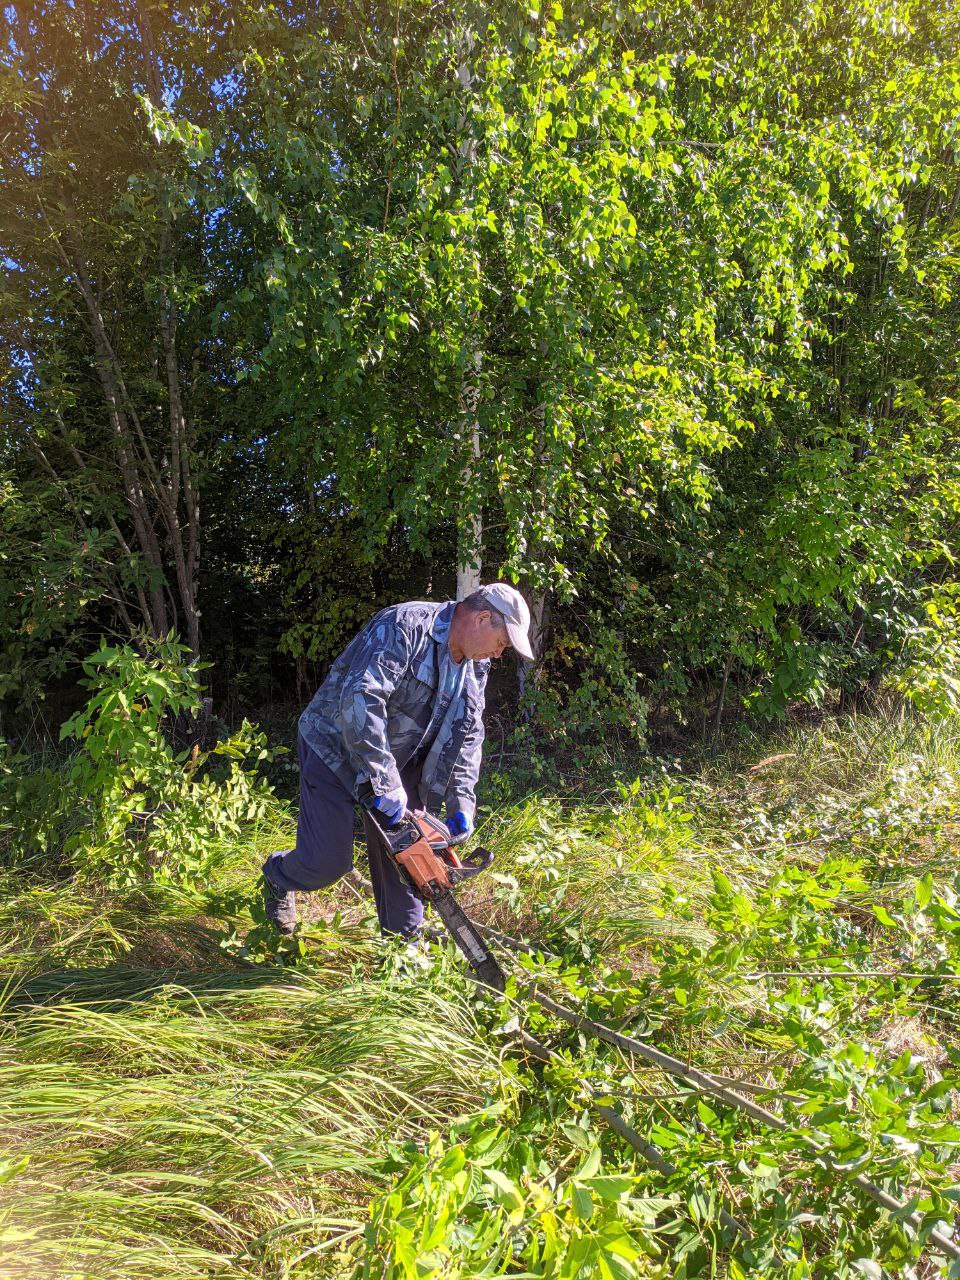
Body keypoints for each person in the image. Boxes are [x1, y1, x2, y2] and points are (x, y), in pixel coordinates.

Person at [261, 583, 534, 937]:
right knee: (326, 864)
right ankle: (277, 875)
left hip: (400, 761)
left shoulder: (475, 666)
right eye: (502, 643)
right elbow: (361, 698)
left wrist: (461, 802)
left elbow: (468, 734)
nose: (499, 654)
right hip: (335, 746)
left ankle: (403, 948)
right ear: (482, 618)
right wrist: (384, 781)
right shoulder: (405, 626)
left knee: (409, 857)